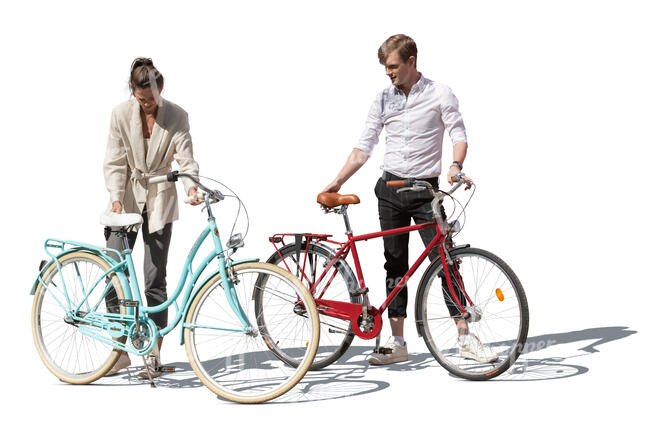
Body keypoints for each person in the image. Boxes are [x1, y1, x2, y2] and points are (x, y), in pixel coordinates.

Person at [322, 34, 497, 365]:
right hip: (389, 190)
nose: (387, 73)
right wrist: (335, 182)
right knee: (395, 266)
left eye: (392, 66)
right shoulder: (383, 98)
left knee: (445, 262)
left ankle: (465, 337)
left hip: (424, 192)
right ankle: (397, 341)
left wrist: (456, 166)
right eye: (385, 67)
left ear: (411, 61)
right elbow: (364, 146)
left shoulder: (439, 93)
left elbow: (459, 134)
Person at [103, 57, 202, 378]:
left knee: (155, 278)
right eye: (142, 99)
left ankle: (153, 354)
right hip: (128, 195)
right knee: (113, 272)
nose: (148, 105)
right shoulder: (120, 114)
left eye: (153, 99)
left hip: (160, 196)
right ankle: (119, 350)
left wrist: (191, 188)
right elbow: (115, 161)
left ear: (162, 90)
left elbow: (186, 159)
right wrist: (116, 198)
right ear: (133, 92)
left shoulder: (177, 116)